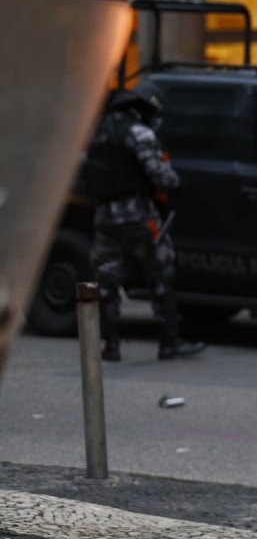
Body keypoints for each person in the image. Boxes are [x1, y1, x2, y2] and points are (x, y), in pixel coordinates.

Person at [85, 83, 205, 362]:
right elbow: (160, 175)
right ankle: (170, 341)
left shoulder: (98, 132)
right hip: (138, 214)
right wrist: (176, 183)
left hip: (104, 216)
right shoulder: (138, 132)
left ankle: (111, 345)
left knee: (107, 281)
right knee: (160, 271)